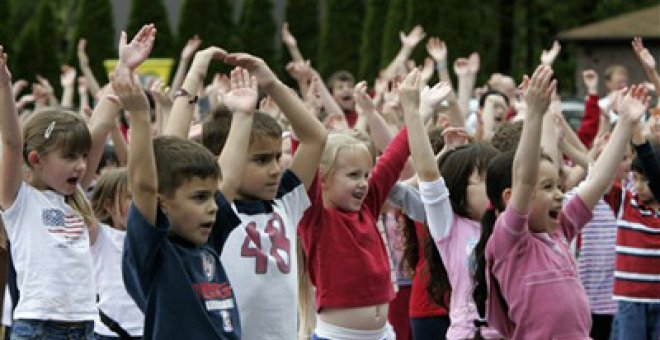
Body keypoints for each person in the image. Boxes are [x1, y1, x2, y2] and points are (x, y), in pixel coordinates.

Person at [472, 65, 648, 339]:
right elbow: (525, 178)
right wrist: (534, 114)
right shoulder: (510, 241)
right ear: (511, 198)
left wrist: (624, 123)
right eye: (547, 187)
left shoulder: (560, 230)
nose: (558, 194)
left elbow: (597, 181)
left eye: (558, 184)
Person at [0, 34, 123, 338]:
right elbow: (12, 143)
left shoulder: (76, 195)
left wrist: (126, 64)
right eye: (69, 156)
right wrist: (3, 86)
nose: (82, 165)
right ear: (36, 159)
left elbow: (104, 118)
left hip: (85, 325)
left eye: (84, 155)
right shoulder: (19, 200)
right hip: (39, 327)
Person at [213, 53, 327, 340]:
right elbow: (224, 180)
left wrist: (272, 83)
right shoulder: (215, 213)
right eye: (261, 160)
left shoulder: (285, 202)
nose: (276, 169)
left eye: (278, 158)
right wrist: (242, 116)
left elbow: (316, 137)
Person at [398, 71, 500, 339]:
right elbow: (430, 176)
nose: (494, 188)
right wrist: (414, 111)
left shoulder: (507, 224)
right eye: (483, 180)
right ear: (458, 192)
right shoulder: (451, 228)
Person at [90, 168, 144, 339]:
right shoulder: (100, 235)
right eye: (130, 197)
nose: (139, 203)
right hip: (109, 331)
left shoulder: (153, 237)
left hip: (149, 330)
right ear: (108, 205)